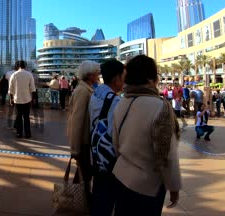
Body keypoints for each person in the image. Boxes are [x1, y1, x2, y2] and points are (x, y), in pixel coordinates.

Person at [112, 55, 181, 216]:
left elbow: (115, 142)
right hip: (147, 185)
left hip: (121, 176)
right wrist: (174, 185)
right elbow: (166, 153)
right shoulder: (160, 106)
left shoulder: (121, 103)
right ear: (152, 78)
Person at [88, 59, 125, 216]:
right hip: (108, 161)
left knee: (98, 195)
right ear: (116, 78)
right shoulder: (116, 101)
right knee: (106, 201)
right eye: (124, 77)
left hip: (95, 156)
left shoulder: (96, 93)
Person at [67, 60, 100, 207]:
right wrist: (75, 148)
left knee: (84, 174)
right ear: (90, 75)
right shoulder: (82, 91)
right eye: (96, 72)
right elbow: (77, 120)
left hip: (87, 141)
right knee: (85, 175)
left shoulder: (88, 89)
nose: (98, 74)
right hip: (84, 142)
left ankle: (80, 201)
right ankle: (81, 202)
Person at [9, 61, 35, 138]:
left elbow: (11, 89)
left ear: (18, 66)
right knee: (26, 117)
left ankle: (19, 133)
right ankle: (27, 134)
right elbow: (33, 89)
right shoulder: (29, 74)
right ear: (25, 66)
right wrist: (32, 100)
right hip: (27, 99)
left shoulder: (14, 75)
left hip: (17, 100)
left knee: (18, 117)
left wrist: (11, 99)